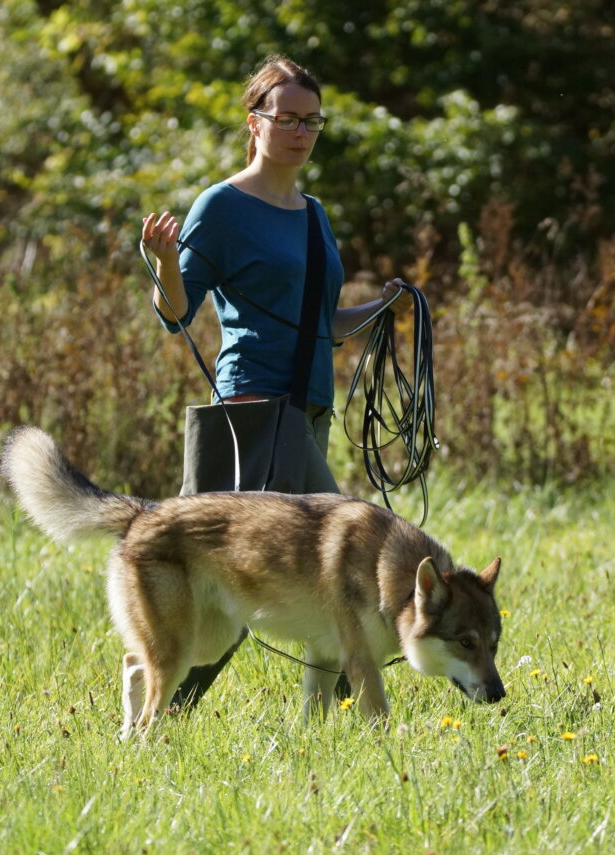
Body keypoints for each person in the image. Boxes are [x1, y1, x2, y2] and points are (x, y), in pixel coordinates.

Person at [140, 55, 408, 709]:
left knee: (261, 568)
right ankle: (332, 710)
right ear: (254, 121)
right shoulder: (223, 207)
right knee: (348, 552)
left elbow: (322, 323)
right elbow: (176, 315)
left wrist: (384, 309)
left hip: (309, 406)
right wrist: (165, 264)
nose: (300, 131)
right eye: (286, 117)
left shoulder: (313, 213)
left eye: (312, 120)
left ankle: (309, 719)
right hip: (255, 409)